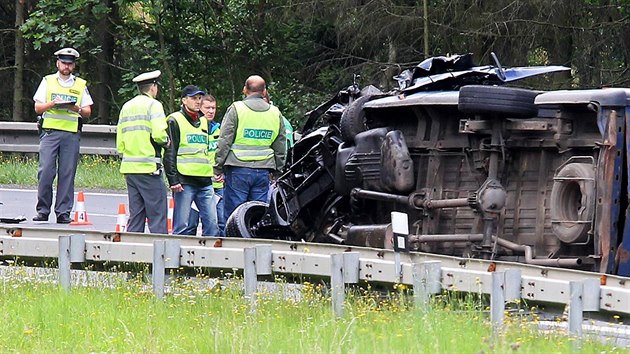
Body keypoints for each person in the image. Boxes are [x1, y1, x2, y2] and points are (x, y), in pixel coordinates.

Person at [214, 75, 286, 225]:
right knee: (256, 214)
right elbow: (280, 146)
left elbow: (224, 141)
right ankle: (254, 245)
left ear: (244, 90)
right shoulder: (275, 113)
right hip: (263, 171)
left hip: (238, 170)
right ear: (264, 91)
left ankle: (234, 245)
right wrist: (278, 171)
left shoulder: (237, 109)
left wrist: (218, 167)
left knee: (234, 216)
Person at [32, 47, 93, 223]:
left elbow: (87, 111)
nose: (66, 66)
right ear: (57, 63)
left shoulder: (80, 84)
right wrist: (52, 104)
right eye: (64, 63)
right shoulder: (48, 81)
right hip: (50, 132)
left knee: (67, 174)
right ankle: (43, 210)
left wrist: (76, 108)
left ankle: (63, 213)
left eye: (70, 63)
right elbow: (37, 107)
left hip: (71, 134)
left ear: (73, 66)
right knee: (45, 172)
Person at [116, 70, 170, 233]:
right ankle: (161, 253)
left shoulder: (127, 106)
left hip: (130, 168)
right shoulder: (154, 105)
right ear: (153, 87)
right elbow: (159, 134)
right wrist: (167, 142)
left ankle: (132, 253)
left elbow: (120, 141)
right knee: (157, 215)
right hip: (148, 168)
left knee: (137, 215)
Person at [164, 85, 219, 236]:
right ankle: (176, 258)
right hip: (184, 181)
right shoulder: (174, 120)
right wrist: (173, 180)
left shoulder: (204, 122)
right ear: (184, 100)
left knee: (212, 225)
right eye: (194, 98)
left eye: (200, 98)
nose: (198, 101)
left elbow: (207, 151)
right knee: (182, 226)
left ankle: (208, 258)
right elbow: (170, 153)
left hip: (205, 181)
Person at [185, 94, 226, 236]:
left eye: (213, 108)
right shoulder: (192, 128)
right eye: (207, 108)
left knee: (219, 224)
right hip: (198, 183)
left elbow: (225, 153)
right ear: (199, 108)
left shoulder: (220, 130)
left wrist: (224, 172)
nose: (210, 111)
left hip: (217, 186)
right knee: (190, 224)